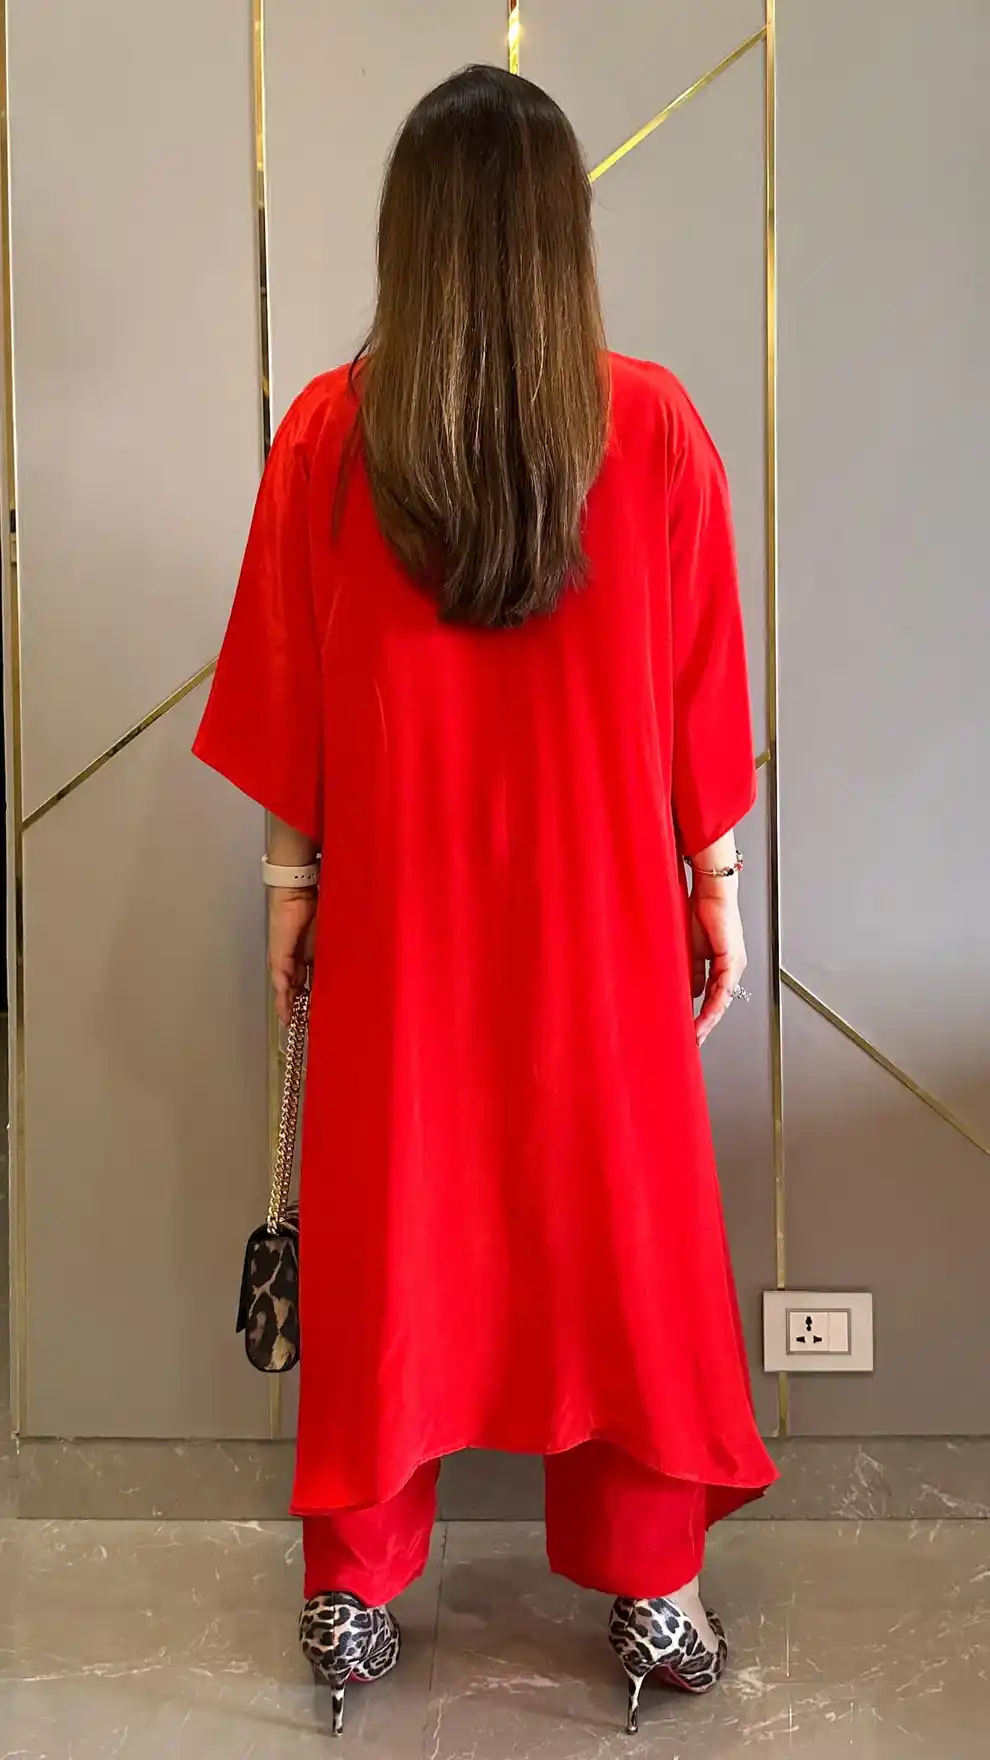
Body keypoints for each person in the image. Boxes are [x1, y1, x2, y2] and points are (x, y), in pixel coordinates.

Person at [195, 63, 777, 1738]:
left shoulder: (334, 431)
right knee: (623, 1232)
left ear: (415, 238)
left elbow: (292, 690)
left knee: (394, 1226)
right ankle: (653, 1589)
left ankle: (352, 1590)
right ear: (558, 238)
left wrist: (289, 888)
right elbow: (698, 689)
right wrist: (715, 885)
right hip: (600, 926)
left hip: (403, 928)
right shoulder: (650, 425)